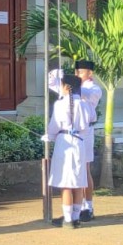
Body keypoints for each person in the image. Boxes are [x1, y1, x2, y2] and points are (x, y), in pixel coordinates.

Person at [44, 73, 92, 229]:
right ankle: (76, 217)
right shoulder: (85, 105)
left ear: (65, 87)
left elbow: (54, 125)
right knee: (78, 182)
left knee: (66, 183)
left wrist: (49, 136)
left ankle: (67, 218)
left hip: (64, 142)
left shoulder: (60, 104)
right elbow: (88, 124)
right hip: (79, 142)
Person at [73, 59, 102, 221]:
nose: (78, 75)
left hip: (86, 131)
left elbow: (89, 96)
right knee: (74, 169)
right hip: (72, 131)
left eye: (81, 72)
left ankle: (88, 206)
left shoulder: (94, 88)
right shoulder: (73, 86)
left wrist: (73, 86)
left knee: (85, 168)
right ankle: (75, 207)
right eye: (76, 72)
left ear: (90, 73)